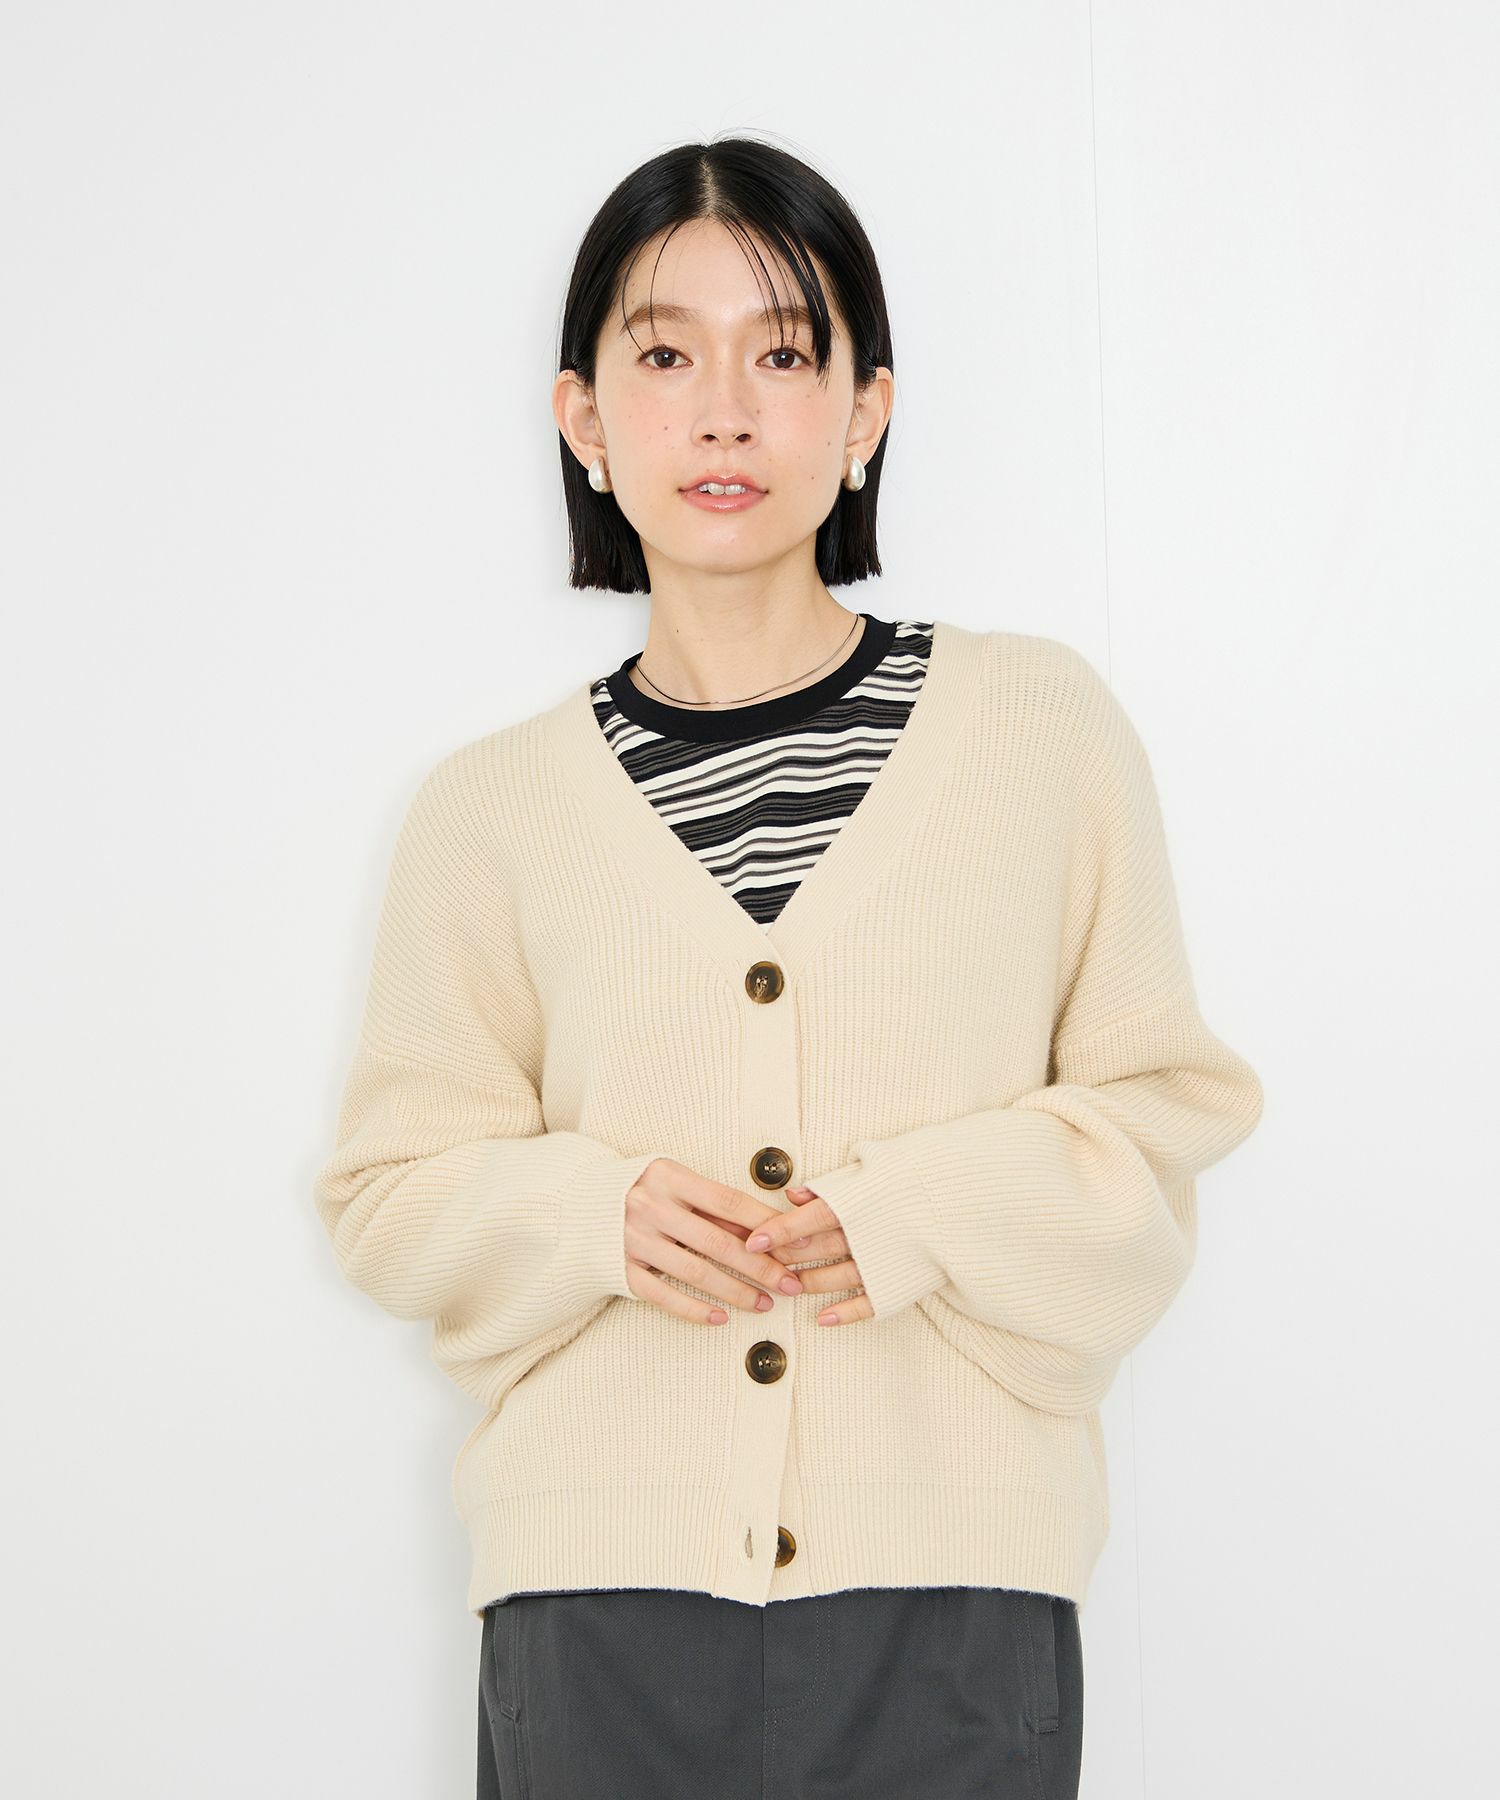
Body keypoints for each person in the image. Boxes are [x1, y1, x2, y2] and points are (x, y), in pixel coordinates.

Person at [312, 135, 1264, 1799]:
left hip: (954, 1598)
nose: (725, 414)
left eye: (785, 353)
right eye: (664, 356)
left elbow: (1160, 1120)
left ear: (865, 411)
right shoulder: (490, 810)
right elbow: (390, 1195)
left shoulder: (1038, 731)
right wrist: (589, 1215)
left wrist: (916, 1209)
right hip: (597, 1603)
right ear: (584, 419)